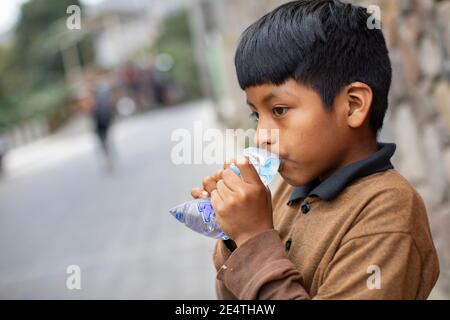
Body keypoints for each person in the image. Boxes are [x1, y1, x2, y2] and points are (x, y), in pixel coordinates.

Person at [191, 0, 439, 299]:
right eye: (257, 115)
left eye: (279, 110)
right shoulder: (286, 192)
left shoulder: (388, 213)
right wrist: (233, 234)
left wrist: (253, 237)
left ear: (353, 105)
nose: (261, 136)